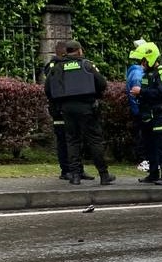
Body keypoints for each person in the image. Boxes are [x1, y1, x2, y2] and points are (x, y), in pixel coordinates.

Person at [44, 40, 115, 186]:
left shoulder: (58, 67)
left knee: (72, 141)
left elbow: (48, 89)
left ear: (67, 51)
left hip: (67, 109)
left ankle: (75, 176)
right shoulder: (86, 65)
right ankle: (104, 175)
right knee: (94, 140)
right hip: (87, 107)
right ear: (79, 50)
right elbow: (102, 84)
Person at [43, 40, 87, 181]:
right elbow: (52, 88)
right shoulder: (55, 66)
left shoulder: (68, 66)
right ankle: (66, 170)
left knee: (76, 139)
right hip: (59, 109)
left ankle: (78, 170)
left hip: (69, 108)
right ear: (63, 53)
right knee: (63, 141)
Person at [133, 42, 162, 185]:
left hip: (157, 115)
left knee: (161, 146)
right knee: (149, 145)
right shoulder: (146, 74)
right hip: (146, 115)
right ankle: (153, 174)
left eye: (143, 60)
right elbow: (147, 93)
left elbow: (161, 93)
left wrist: (141, 91)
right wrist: (138, 94)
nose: (142, 63)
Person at [125, 39, 147, 172]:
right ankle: (143, 160)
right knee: (142, 135)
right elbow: (136, 94)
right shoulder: (138, 74)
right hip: (140, 111)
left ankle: (144, 159)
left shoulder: (136, 72)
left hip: (139, 110)